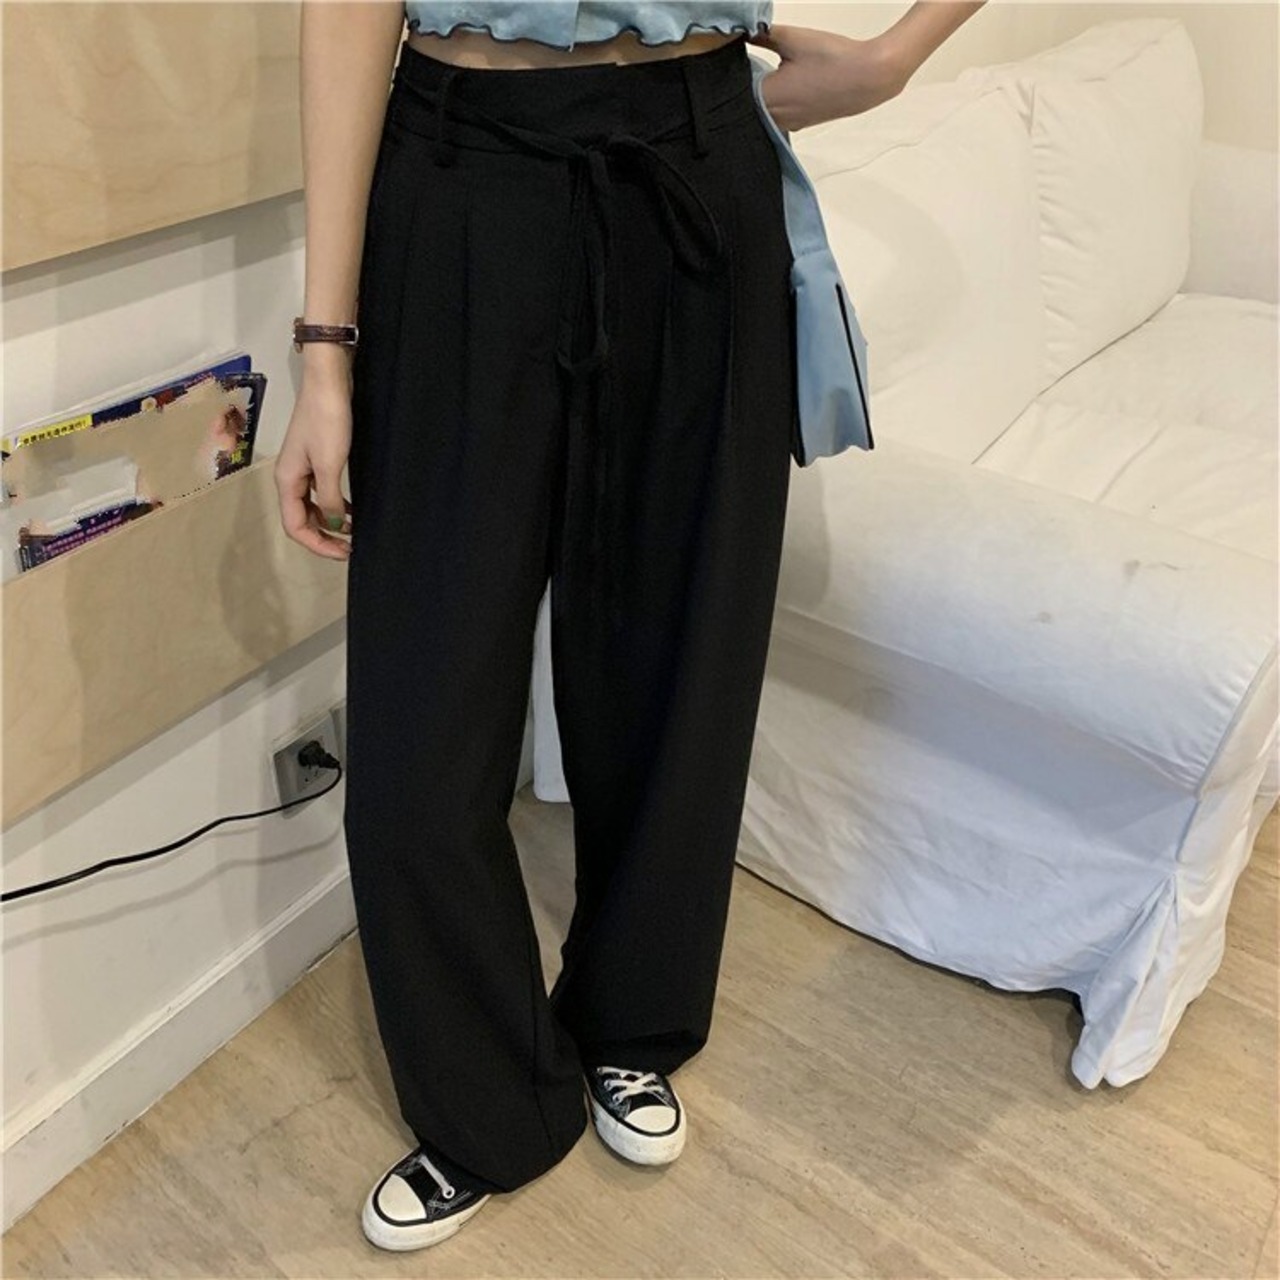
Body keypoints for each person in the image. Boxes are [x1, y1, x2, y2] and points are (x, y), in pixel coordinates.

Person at [276, 0, 986, 1253]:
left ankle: (632, 1019)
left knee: (678, 662)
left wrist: (894, 56)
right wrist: (324, 351)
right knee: (420, 714)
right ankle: (485, 1098)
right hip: (460, 165)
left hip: (694, 154)